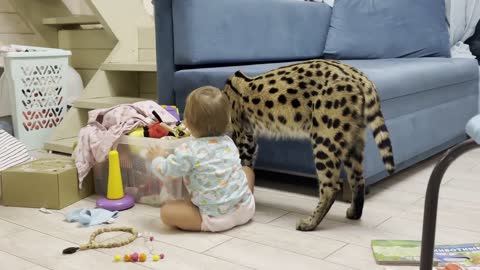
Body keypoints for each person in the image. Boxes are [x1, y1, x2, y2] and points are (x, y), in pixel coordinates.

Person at [147, 86, 255, 232]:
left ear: (188, 123)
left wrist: (157, 158)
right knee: (247, 170)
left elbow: (166, 171)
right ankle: (240, 200)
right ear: (227, 121)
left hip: (214, 218)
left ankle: (205, 213)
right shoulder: (229, 143)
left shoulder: (188, 150)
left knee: (166, 212)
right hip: (245, 209)